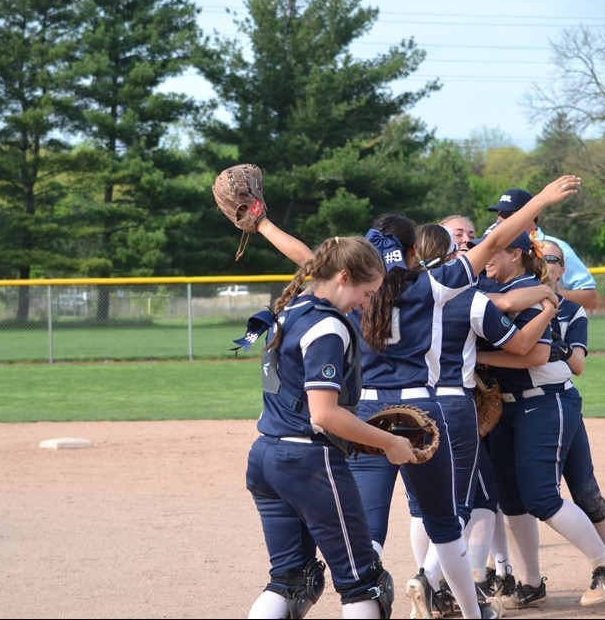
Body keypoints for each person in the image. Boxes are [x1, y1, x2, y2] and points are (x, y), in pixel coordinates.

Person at [251, 175, 583, 620]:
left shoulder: (350, 285)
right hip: (425, 412)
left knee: (365, 523)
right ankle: (471, 610)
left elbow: (310, 260)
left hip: (364, 412)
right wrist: (540, 200)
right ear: (412, 252)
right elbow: (500, 237)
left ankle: (367, 573)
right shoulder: (438, 283)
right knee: (446, 520)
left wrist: (262, 224)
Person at [244, 236, 417, 620]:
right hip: (308, 462)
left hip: (266, 456)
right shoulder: (327, 328)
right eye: (367, 292)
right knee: (364, 582)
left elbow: (312, 260)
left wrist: (264, 224)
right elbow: (324, 415)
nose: (367, 303)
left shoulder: (294, 306)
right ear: (343, 277)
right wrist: (390, 442)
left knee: (292, 579)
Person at [400, 224, 558, 619]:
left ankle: (436, 586)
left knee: (421, 505)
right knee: (473, 502)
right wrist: (548, 300)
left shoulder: (394, 294)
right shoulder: (464, 297)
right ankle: (434, 580)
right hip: (453, 404)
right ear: (451, 258)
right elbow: (521, 343)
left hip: (403, 408)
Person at [475, 230, 605, 608]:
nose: (486, 258)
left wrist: (478, 360)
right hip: (507, 407)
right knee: (510, 501)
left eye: (495, 251)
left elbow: (535, 356)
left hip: (543, 403)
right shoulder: (501, 290)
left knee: (541, 496)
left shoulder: (531, 292)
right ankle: (530, 583)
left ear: (516, 255)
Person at [488, 188, 599, 311]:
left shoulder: (556, 249)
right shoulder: (496, 248)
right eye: (498, 214)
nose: (499, 220)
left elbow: (591, 299)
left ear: (531, 214)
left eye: (506, 214)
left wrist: (550, 293)